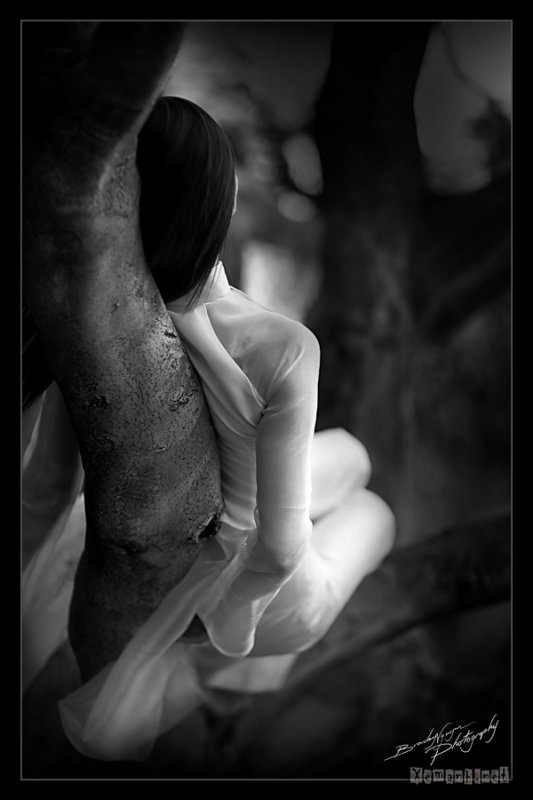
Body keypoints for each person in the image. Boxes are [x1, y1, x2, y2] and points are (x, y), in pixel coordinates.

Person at [22, 96, 395, 762]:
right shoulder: (283, 345)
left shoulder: (90, 335)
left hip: (184, 534)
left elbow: (44, 491)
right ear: (221, 204)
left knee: (346, 454)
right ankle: (234, 675)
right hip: (243, 589)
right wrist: (224, 626)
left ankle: (230, 665)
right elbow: (279, 551)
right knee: (373, 509)